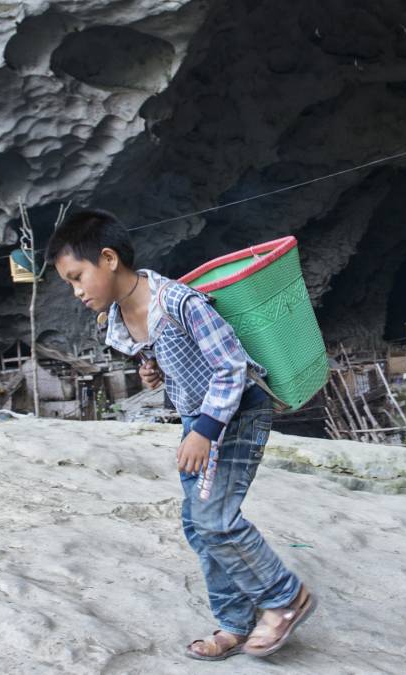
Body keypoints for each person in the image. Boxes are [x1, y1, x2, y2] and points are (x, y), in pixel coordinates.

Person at [47, 210, 316, 661]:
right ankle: (234, 623)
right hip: (198, 420)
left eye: (77, 277)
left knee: (215, 520)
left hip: (236, 415)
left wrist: (205, 432)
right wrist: (153, 371)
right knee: (199, 525)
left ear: (108, 258)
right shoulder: (117, 317)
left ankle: (285, 598)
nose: (76, 292)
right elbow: (166, 353)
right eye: (70, 284)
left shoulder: (179, 302)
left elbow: (232, 366)